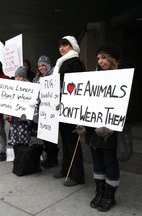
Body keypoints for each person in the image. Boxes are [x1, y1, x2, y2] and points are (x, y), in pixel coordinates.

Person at [80, 43, 126, 212]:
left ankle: (110, 196)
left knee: (109, 161)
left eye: (104, 57)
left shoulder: (121, 77)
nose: (100, 61)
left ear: (112, 59)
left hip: (109, 130)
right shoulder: (93, 78)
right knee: (97, 160)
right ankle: (99, 191)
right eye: (98, 58)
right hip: (93, 127)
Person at [52, 36, 86, 186]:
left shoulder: (75, 63)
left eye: (65, 45)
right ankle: (66, 169)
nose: (61, 48)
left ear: (72, 46)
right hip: (61, 108)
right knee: (65, 141)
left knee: (73, 142)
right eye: (60, 45)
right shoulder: (61, 64)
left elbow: (76, 87)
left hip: (71, 109)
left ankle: (77, 175)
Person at [33, 55, 59, 169]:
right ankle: (49, 157)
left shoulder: (54, 76)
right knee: (45, 136)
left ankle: (53, 159)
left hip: (51, 111)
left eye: (44, 65)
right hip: (41, 112)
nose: (41, 67)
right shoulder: (37, 78)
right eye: (39, 66)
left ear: (48, 65)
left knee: (51, 137)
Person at [8, 66, 31, 149]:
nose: (17, 78)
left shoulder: (30, 88)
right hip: (13, 119)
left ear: (24, 78)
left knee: (23, 139)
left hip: (23, 119)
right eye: (16, 76)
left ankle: (24, 158)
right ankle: (17, 157)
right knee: (14, 139)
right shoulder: (11, 88)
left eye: (20, 77)